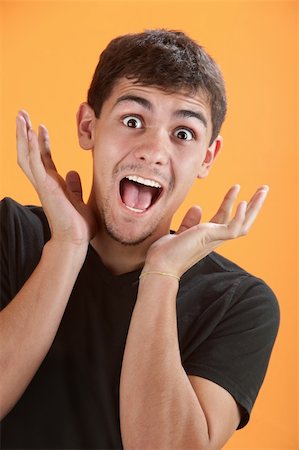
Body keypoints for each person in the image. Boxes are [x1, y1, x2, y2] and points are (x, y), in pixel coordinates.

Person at [0, 29, 279, 450]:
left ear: (207, 157)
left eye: (183, 133)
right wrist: (67, 247)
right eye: (133, 121)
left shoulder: (238, 302)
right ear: (88, 126)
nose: (153, 150)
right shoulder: (9, 232)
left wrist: (161, 275)